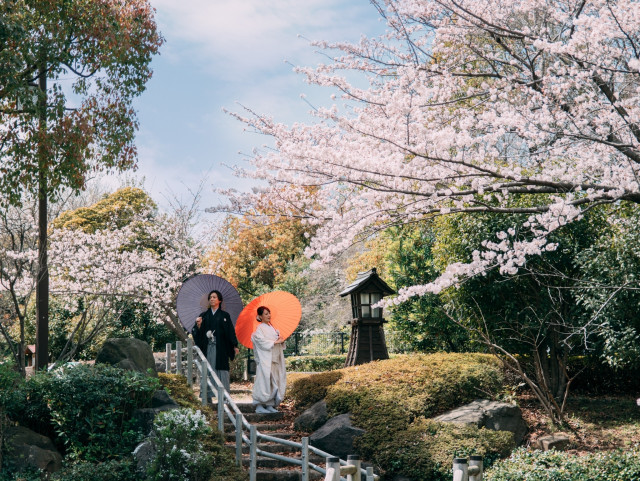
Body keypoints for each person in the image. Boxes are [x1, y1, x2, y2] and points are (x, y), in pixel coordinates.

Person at [194, 289, 239, 394]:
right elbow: (197, 333)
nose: (212, 299)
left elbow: (230, 331)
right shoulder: (204, 315)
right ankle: (207, 395)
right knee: (208, 369)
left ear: (220, 300)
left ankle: (223, 396)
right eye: (210, 297)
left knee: (222, 370)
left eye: (214, 297)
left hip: (221, 348)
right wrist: (199, 325)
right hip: (208, 347)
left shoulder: (225, 316)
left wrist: (234, 345)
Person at [251, 306, 287, 414]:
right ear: (260, 316)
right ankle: (259, 404)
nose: (268, 316)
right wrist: (274, 342)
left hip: (274, 356)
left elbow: (276, 341)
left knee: (273, 381)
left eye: (269, 313)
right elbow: (259, 341)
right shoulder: (260, 329)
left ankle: (270, 404)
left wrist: (280, 340)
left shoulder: (272, 327)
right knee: (263, 380)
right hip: (265, 358)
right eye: (266, 314)